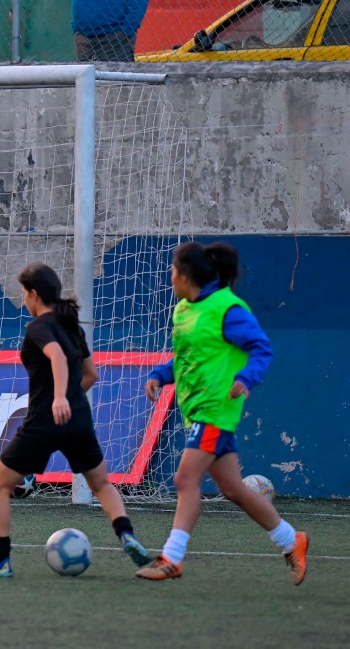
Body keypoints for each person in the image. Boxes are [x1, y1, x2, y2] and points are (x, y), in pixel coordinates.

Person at [136, 241, 307, 584]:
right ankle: (292, 540)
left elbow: (260, 347)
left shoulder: (227, 308)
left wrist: (246, 377)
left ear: (185, 275)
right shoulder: (184, 309)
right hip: (197, 410)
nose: (170, 278)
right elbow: (188, 357)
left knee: (185, 479)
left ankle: (172, 557)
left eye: (172, 271)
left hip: (216, 409)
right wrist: (160, 374)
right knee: (232, 488)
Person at [0, 263, 152, 577]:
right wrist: (69, 398)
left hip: (44, 421)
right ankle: (126, 534)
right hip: (78, 419)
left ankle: (0, 561)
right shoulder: (73, 326)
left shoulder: (38, 326)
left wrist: (57, 399)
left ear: (34, 294)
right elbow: (91, 375)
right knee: (102, 484)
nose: (24, 300)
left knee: (0, 485)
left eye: (24, 293)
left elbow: (55, 356)